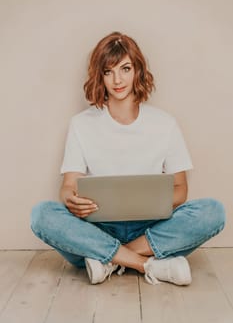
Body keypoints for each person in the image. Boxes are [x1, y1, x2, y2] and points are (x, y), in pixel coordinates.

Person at [31, 31, 225, 286]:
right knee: (42, 215)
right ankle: (145, 263)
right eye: (108, 71)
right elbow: (68, 187)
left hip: (151, 230)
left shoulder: (164, 123)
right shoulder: (81, 124)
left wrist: (147, 201)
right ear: (99, 76)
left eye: (125, 69)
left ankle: (109, 259)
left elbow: (181, 191)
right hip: (97, 228)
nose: (117, 79)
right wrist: (70, 199)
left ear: (138, 71)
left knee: (213, 211)